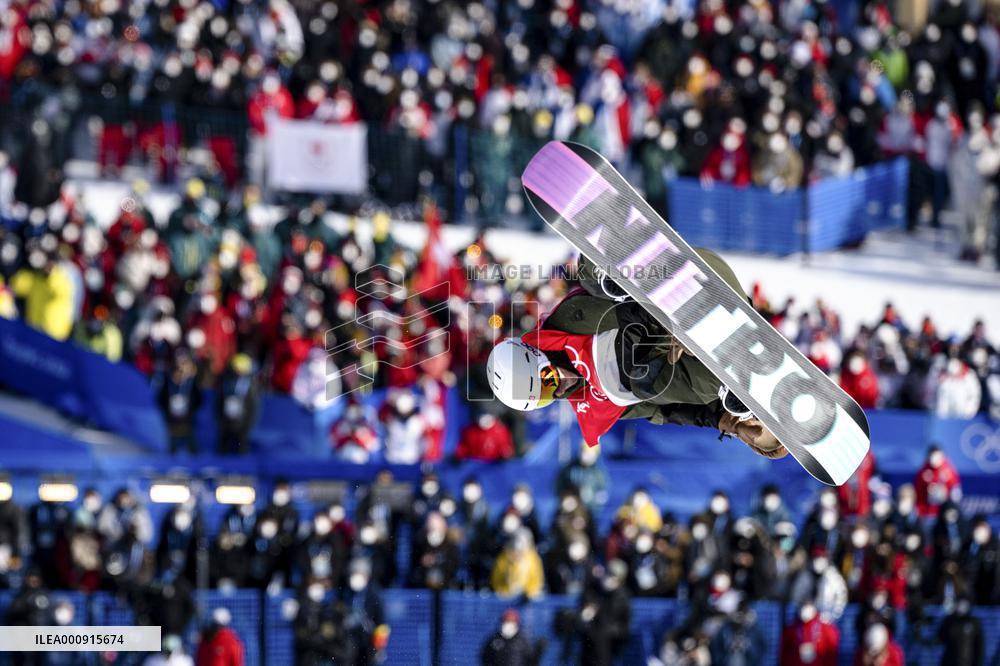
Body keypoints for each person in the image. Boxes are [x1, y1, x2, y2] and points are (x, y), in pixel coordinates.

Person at [486, 251, 786, 459]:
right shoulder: (594, 402)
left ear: (539, 354)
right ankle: (734, 383)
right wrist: (723, 420)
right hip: (708, 344)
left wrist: (633, 298)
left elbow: (600, 292)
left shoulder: (567, 322)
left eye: (547, 379)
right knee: (649, 386)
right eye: (546, 396)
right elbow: (664, 411)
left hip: (682, 283)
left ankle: (625, 271)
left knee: (590, 277)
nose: (558, 388)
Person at [779, 601, 840, 666]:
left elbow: (832, 649)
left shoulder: (825, 627)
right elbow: (784, 650)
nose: (805, 611)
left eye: (807, 607)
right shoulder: (793, 628)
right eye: (803, 607)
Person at [491, 528, 544, 600]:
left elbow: (537, 580)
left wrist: (528, 593)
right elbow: (496, 579)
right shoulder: (504, 558)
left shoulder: (532, 559)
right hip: (506, 598)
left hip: (526, 599)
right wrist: (504, 591)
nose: (517, 554)